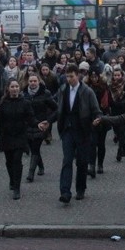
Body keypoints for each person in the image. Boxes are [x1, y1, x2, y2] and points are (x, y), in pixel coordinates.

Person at [0, 79, 43, 200]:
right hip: (6, 136)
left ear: (19, 89)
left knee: (17, 161)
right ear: (8, 89)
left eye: (16, 86)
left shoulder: (25, 103)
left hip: (20, 136)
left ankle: (17, 187)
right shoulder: (4, 103)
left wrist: (38, 124)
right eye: (12, 87)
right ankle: (12, 179)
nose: (15, 89)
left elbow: (31, 118)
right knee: (9, 161)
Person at [51, 64, 101, 203]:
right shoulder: (62, 90)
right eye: (67, 76)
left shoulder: (87, 91)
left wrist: (96, 120)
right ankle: (65, 191)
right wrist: (48, 121)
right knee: (67, 160)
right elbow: (59, 110)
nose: (69, 79)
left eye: (71, 76)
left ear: (78, 75)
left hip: (83, 130)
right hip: (67, 129)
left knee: (82, 162)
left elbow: (96, 110)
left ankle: (80, 188)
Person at [22, 73, 57, 183]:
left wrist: (49, 120)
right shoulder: (23, 94)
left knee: (35, 147)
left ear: (38, 82)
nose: (32, 83)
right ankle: (41, 166)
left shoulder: (45, 93)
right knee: (33, 148)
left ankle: (30, 173)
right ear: (28, 82)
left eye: (35, 81)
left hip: (41, 124)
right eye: (31, 81)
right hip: (28, 125)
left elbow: (56, 108)